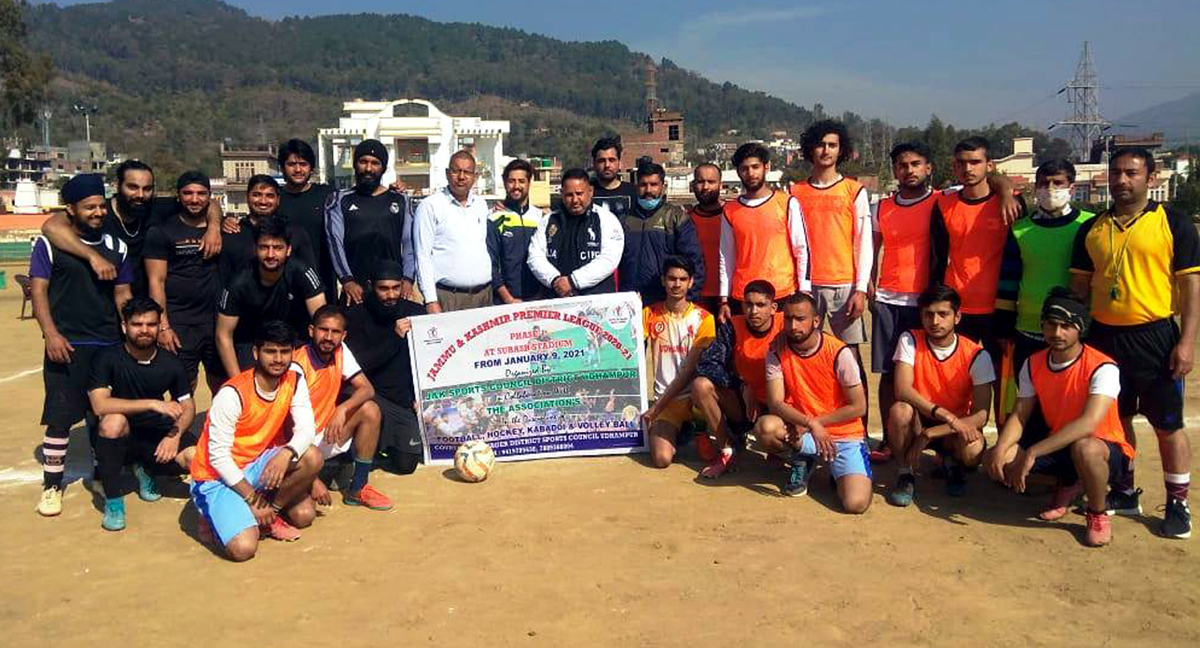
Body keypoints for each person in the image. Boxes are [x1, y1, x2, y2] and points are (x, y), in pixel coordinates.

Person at [1069, 147, 1199, 539]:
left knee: (1167, 424)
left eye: (1132, 173)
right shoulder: (1092, 228)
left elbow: (1191, 285)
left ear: (1151, 178)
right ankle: (1124, 490)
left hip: (1155, 335)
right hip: (1104, 338)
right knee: (1115, 419)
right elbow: (1079, 289)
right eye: (1116, 173)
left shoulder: (1173, 223)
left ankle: (1178, 502)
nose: (1122, 181)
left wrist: (1188, 342)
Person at [986, 289, 1134, 547]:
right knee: (997, 461)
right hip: (1059, 443)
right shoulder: (1033, 363)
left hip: (1104, 449)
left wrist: (1031, 452)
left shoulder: (1103, 366)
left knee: (1085, 449)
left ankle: (1097, 513)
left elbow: (1089, 423)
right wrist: (1001, 448)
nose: (1057, 333)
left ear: (1080, 328)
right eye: (1051, 325)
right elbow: (1021, 414)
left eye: (1066, 326)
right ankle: (1070, 482)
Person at [30, 174, 134, 517]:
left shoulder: (117, 247)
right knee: (60, 417)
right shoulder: (48, 244)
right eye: (90, 207)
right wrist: (51, 334)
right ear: (70, 209)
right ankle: (51, 485)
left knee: (99, 414)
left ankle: (101, 474)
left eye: (102, 206)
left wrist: (129, 329)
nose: (98, 212)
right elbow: (40, 292)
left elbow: (123, 294)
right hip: (68, 342)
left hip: (106, 342)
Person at [190, 321, 324, 561]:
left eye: (284, 352)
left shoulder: (294, 380)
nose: (278, 359)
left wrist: (286, 454)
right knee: (243, 549)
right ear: (256, 353)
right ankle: (210, 513)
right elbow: (218, 458)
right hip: (216, 477)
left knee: (310, 472)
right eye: (270, 351)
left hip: (257, 463)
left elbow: (306, 430)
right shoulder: (232, 394)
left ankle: (268, 515)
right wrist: (252, 498)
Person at [87, 298, 197, 531]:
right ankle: (114, 502)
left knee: (196, 457)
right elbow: (99, 405)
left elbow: (188, 406)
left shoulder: (171, 363)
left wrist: (174, 436)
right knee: (112, 422)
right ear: (124, 327)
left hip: (156, 438)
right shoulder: (107, 358)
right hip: (124, 439)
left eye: (151, 324)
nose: (144, 330)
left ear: (159, 327)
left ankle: (147, 470)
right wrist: (151, 403)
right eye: (137, 324)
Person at [754, 292, 870, 512]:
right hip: (804, 431)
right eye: (788, 319)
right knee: (766, 428)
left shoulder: (839, 352)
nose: (792, 325)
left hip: (843, 436)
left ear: (816, 321)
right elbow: (776, 402)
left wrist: (817, 422)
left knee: (856, 504)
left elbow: (859, 406)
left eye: (800, 319)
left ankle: (839, 470)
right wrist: (811, 424)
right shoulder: (776, 351)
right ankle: (803, 458)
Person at [39, 159, 223, 296]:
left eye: (147, 188)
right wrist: (93, 257)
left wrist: (214, 228)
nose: (140, 195)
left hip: (144, 309)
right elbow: (51, 227)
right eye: (133, 187)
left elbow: (210, 203)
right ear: (117, 186)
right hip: (107, 302)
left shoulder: (157, 208)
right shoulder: (99, 214)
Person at [997, 158, 1095, 412]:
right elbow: (1009, 279)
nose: (1050, 189)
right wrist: (1004, 326)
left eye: (1058, 182)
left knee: (1072, 401)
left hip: (1075, 330)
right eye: (1044, 183)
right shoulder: (1020, 229)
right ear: (1035, 187)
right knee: (1030, 401)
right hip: (1028, 329)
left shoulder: (1089, 225)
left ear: (1071, 187)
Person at [886, 285, 994, 506]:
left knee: (973, 449)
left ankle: (953, 463)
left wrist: (933, 432)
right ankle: (905, 472)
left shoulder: (977, 355)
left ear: (957, 317)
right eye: (928, 314)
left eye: (943, 314)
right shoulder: (910, 339)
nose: (935, 321)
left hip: (953, 429)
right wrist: (941, 417)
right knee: (899, 411)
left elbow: (981, 416)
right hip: (923, 420)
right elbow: (902, 390)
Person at [931, 137, 1025, 377]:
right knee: (960, 375)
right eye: (962, 163)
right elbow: (937, 258)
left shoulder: (1011, 203)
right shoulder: (944, 204)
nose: (968, 169)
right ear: (954, 167)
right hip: (958, 305)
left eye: (975, 162)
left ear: (989, 166)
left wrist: (1005, 190)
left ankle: (1002, 418)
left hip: (1000, 306)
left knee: (1002, 376)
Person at [294, 305, 392, 510]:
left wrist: (342, 409)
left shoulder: (340, 351)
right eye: (323, 330)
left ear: (343, 335)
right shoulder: (297, 364)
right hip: (297, 446)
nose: (329, 337)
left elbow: (367, 389)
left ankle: (358, 488)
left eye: (335, 332)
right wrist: (312, 480)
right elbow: (284, 429)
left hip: (326, 434)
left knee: (370, 410)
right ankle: (310, 476)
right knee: (304, 513)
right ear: (311, 330)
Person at [790, 120, 871, 350]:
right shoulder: (795, 192)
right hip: (805, 284)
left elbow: (863, 243)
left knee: (850, 354)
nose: (826, 151)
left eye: (832, 145)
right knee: (803, 350)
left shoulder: (854, 191)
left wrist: (861, 289)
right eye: (820, 144)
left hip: (844, 285)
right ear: (810, 149)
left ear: (841, 149)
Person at [691, 279, 784, 478]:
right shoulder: (733, 326)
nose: (754, 311)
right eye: (748, 304)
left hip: (780, 406)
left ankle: (789, 452)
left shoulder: (787, 326)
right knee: (701, 385)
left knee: (772, 430)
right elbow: (707, 365)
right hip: (743, 406)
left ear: (773, 307)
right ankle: (727, 450)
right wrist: (741, 384)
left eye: (761, 305)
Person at [144, 171, 225, 395]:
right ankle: (181, 430)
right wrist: (163, 326)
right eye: (188, 193)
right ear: (178, 196)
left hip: (216, 321)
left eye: (201, 193)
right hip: (180, 323)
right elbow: (156, 281)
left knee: (222, 384)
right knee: (184, 387)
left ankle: (220, 429)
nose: (195, 199)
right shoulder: (161, 232)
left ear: (209, 196)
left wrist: (215, 226)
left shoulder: (222, 229)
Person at [343, 261, 427, 475]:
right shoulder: (355, 316)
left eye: (395, 288)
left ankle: (383, 446)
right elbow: (358, 365)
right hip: (373, 396)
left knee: (406, 465)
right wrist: (395, 337)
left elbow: (430, 360)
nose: (390, 294)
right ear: (371, 286)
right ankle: (359, 452)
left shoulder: (416, 313)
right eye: (384, 288)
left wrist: (422, 395)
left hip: (403, 402)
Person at [216, 218, 326, 377]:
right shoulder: (239, 282)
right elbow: (223, 335)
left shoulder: (302, 272)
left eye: (277, 248)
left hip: (294, 339)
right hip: (252, 341)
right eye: (264, 247)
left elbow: (322, 321)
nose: (270, 254)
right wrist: (238, 383)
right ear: (255, 249)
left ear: (288, 250)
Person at [717, 143, 808, 322]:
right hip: (743, 296)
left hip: (781, 293)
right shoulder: (730, 210)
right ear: (738, 172)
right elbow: (726, 257)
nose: (751, 173)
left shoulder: (787, 203)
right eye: (744, 169)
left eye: (755, 167)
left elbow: (802, 250)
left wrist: (805, 291)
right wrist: (724, 299)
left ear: (766, 167)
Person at [641, 256, 715, 468]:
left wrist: (655, 409)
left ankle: (702, 428)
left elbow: (690, 372)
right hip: (667, 404)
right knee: (662, 460)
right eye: (672, 278)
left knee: (703, 388)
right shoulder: (649, 314)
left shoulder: (704, 318)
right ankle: (681, 431)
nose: (677, 284)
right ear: (663, 280)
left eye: (683, 279)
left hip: (695, 400)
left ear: (691, 282)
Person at [326, 138, 415, 305]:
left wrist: (408, 279)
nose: (368, 168)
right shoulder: (339, 200)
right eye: (363, 162)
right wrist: (347, 280)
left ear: (383, 168)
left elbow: (410, 243)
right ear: (355, 164)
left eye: (375, 163)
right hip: (356, 290)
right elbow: (334, 243)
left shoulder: (401, 200)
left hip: (392, 290)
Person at [414, 150, 493, 312]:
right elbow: (422, 256)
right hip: (449, 297)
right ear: (447, 174)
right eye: (456, 171)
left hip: (484, 295)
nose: (462, 177)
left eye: (467, 172)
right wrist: (430, 300)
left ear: (475, 176)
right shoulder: (430, 206)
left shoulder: (481, 205)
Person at [527, 168, 625, 297]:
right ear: (562, 194)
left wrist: (573, 281)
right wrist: (555, 280)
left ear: (590, 191)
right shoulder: (548, 221)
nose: (574, 200)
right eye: (569, 195)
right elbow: (535, 256)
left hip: (596, 302)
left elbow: (609, 259)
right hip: (557, 299)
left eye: (579, 194)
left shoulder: (606, 219)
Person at [617, 161, 704, 303]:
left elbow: (694, 262)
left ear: (663, 187)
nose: (648, 190)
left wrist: (688, 300)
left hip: (665, 303)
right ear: (636, 186)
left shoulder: (677, 218)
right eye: (643, 185)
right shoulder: (623, 219)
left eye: (654, 184)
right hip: (629, 301)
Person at [219, 174, 317, 286]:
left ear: (278, 200)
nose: (263, 201)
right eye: (256, 195)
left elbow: (310, 276)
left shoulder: (295, 233)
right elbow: (224, 281)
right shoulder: (232, 234)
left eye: (270, 196)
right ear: (247, 197)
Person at [277, 138, 337, 301]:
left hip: (323, 280)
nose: (298, 169)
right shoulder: (273, 198)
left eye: (303, 164)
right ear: (282, 167)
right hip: (283, 284)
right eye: (291, 164)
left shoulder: (328, 195)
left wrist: (394, 191)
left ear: (311, 168)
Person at [488, 158, 545, 304]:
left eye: (521, 181)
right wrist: (509, 299)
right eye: (511, 181)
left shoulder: (541, 217)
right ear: (505, 182)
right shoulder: (494, 217)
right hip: (505, 301)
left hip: (537, 299)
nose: (516, 186)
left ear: (529, 182)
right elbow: (491, 265)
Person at [688, 163, 724, 313]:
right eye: (701, 182)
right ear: (693, 185)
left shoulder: (733, 216)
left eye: (711, 182)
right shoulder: (685, 220)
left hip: (728, 296)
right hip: (697, 296)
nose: (705, 187)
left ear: (721, 185)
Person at [590, 137, 638, 219]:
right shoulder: (586, 192)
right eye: (602, 161)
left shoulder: (634, 191)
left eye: (611, 160)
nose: (607, 165)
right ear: (594, 164)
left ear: (619, 163)